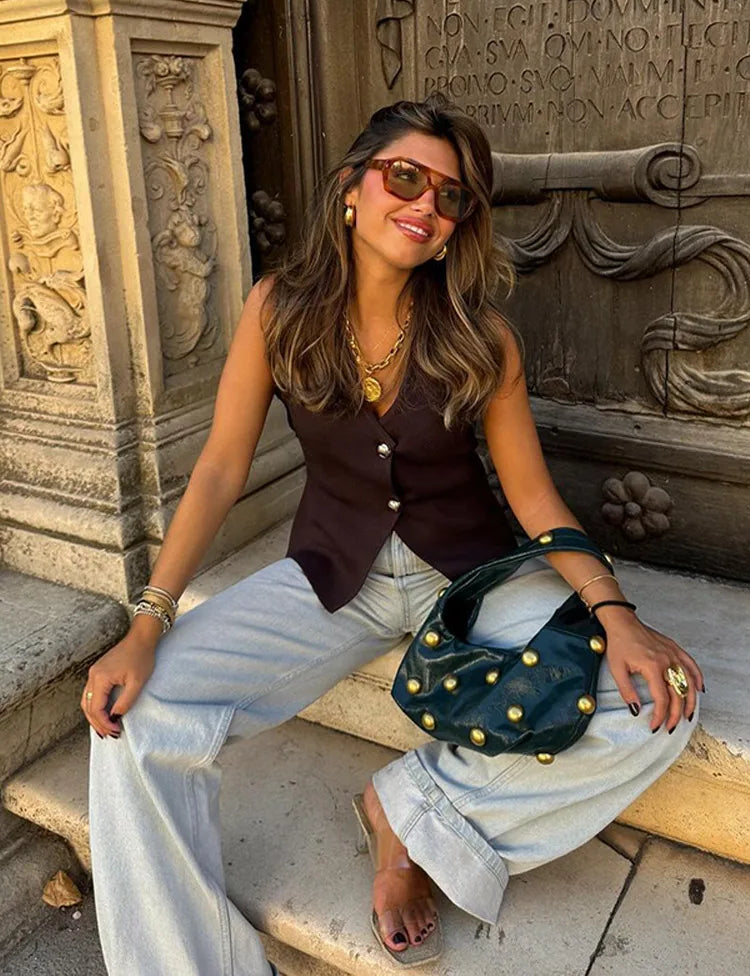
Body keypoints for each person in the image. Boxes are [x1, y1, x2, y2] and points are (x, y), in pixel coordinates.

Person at [82, 93, 703, 975]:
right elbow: (219, 469)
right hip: (333, 574)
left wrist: (617, 614)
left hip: (470, 579)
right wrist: (149, 620)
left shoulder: (481, 338)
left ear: (458, 228)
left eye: (451, 196)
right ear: (352, 188)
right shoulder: (277, 309)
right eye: (405, 177)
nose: (425, 205)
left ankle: (411, 811)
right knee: (133, 716)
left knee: (660, 700)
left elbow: (534, 499)